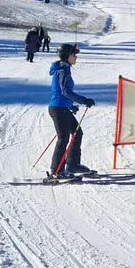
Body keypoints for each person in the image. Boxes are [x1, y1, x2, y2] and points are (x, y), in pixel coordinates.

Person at [48, 43, 97, 179]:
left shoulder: (64, 68)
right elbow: (65, 91)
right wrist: (83, 100)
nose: (76, 58)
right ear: (68, 56)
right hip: (58, 108)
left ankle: (72, 165)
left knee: (77, 133)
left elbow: (62, 92)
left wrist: (70, 105)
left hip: (62, 107)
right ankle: (56, 171)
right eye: (74, 55)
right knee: (63, 138)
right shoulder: (63, 70)